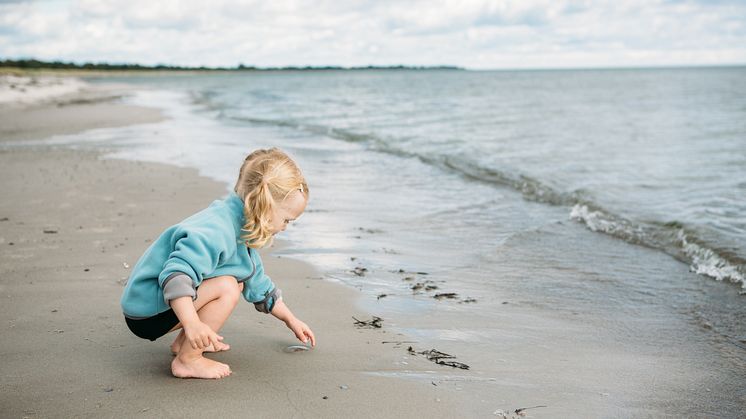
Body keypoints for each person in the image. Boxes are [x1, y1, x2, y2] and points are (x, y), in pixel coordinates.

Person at [120, 148, 316, 379]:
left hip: (162, 305)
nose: (285, 227)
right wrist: (193, 324)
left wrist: (290, 319)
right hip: (146, 311)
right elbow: (176, 277)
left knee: (238, 282)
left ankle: (184, 345)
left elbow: (257, 283)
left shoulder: (240, 224)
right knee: (227, 287)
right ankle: (188, 360)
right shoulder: (217, 230)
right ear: (265, 206)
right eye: (286, 220)